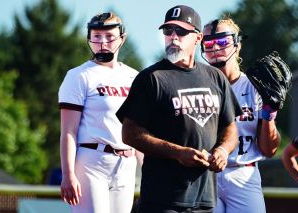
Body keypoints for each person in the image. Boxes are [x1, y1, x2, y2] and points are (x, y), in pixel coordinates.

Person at [116, 5, 242, 213]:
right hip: (162, 199)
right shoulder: (151, 78)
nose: (173, 37)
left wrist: (222, 150)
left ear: (198, 38)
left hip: (205, 198)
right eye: (168, 31)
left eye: (182, 31)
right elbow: (129, 133)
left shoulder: (215, 78)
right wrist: (177, 153)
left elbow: (230, 128)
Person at [58, 12, 140, 213]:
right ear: (89, 38)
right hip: (92, 161)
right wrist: (68, 174)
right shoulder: (78, 76)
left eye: (110, 36)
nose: (103, 42)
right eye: (97, 36)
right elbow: (68, 131)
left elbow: (138, 129)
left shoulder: (134, 76)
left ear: (122, 38)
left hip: (126, 163)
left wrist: (148, 168)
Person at [201, 17, 281, 213]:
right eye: (208, 43)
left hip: (244, 172)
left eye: (222, 42)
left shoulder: (255, 87)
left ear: (237, 44)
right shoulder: (196, 86)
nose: (215, 48)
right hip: (204, 174)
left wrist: (269, 117)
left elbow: (269, 150)